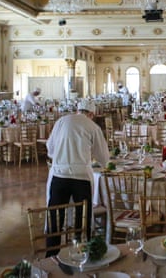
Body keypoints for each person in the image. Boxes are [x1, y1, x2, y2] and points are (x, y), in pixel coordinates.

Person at [44, 99, 109, 257]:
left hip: (59, 175)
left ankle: (52, 256)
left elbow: (50, 148)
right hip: (81, 178)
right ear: (91, 114)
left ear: (78, 110)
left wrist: (62, 156)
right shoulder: (92, 126)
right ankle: (83, 252)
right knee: (83, 218)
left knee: (55, 217)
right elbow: (104, 158)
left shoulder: (61, 121)